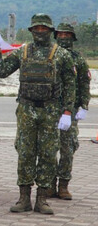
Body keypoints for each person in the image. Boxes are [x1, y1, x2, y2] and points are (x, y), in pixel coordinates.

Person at [0, 13, 75, 215]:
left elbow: (70, 84)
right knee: (25, 153)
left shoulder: (61, 54)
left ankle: (42, 199)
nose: (40, 32)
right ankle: (23, 198)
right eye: (36, 28)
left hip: (50, 110)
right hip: (26, 110)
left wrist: (67, 111)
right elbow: (3, 71)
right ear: (31, 31)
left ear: (50, 31)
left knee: (48, 155)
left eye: (44, 28)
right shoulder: (23, 52)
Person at [52, 23, 90, 200]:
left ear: (73, 38)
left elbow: (84, 83)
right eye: (60, 34)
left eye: (67, 35)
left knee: (68, 149)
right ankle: (49, 184)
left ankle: (64, 185)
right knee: (48, 149)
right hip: (50, 109)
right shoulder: (50, 55)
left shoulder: (78, 59)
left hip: (70, 111)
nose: (64, 38)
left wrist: (84, 105)